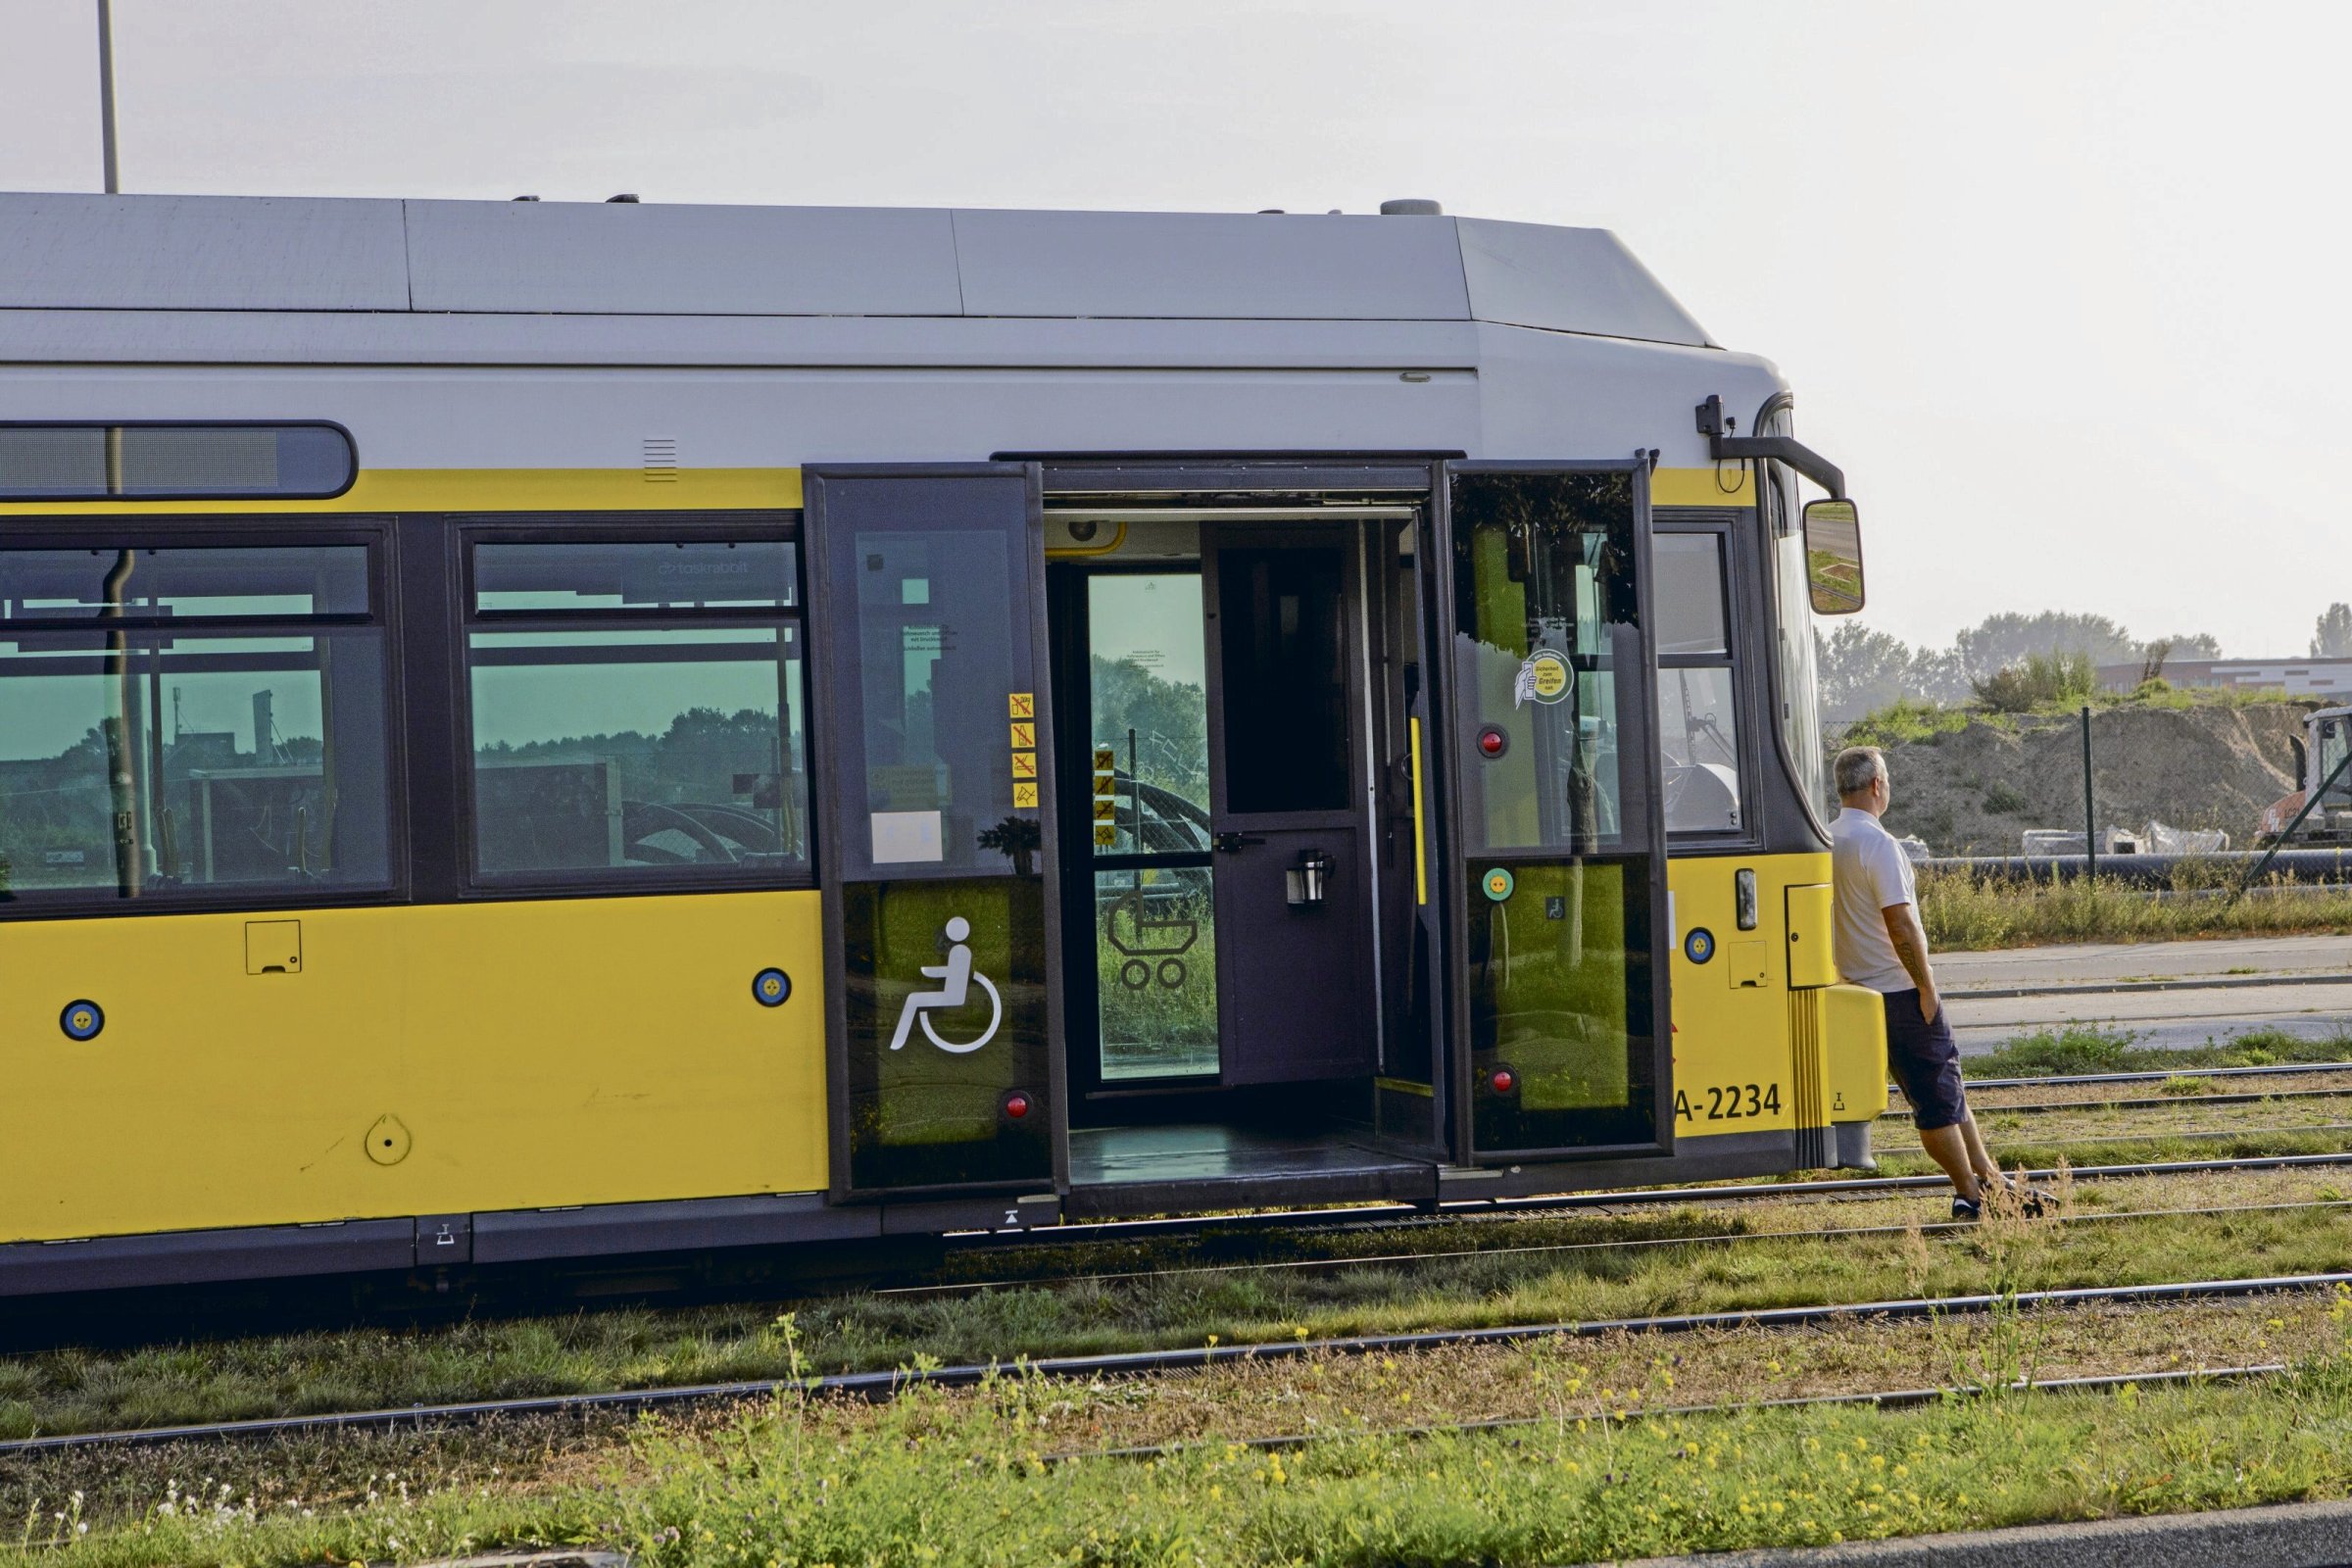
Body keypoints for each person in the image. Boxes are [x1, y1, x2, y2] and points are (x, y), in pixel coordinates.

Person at [1829, 745, 2042, 1220]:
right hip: (1900, 991)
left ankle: (1991, 1180)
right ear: (1877, 786)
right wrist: (1926, 986)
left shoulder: (1828, 840)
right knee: (1936, 1099)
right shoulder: (1879, 845)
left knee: (1947, 1089)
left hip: (1856, 991)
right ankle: (1970, 1194)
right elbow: (1900, 924)